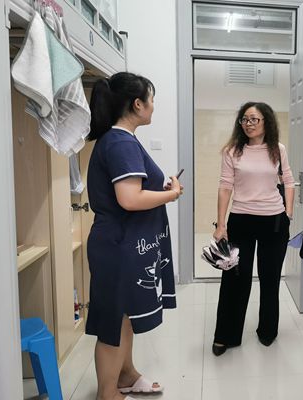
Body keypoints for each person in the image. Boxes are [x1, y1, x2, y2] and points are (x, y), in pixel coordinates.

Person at [86, 72, 182, 400]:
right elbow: (129, 199)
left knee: (125, 316)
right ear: (138, 104)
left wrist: (161, 188)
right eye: (151, 99)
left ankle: (125, 375)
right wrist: (172, 195)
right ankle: (107, 393)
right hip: (118, 246)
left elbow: (134, 189)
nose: (154, 106)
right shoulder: (121, 142)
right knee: (114, 321)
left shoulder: (121, 139)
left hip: (122, 242)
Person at [211, 101, 294, 356]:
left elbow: (289, 181)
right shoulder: (232, 151)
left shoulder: (277, 149)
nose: (248, 124)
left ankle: (267, 331)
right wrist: (221, 224)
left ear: (266, 122)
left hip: (274, 221)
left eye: (254, 119)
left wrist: (288, 214)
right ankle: (226, 335)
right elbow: (225, 186)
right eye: (245, 119)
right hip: (241, 220)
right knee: (235, 279)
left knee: (270, 279)